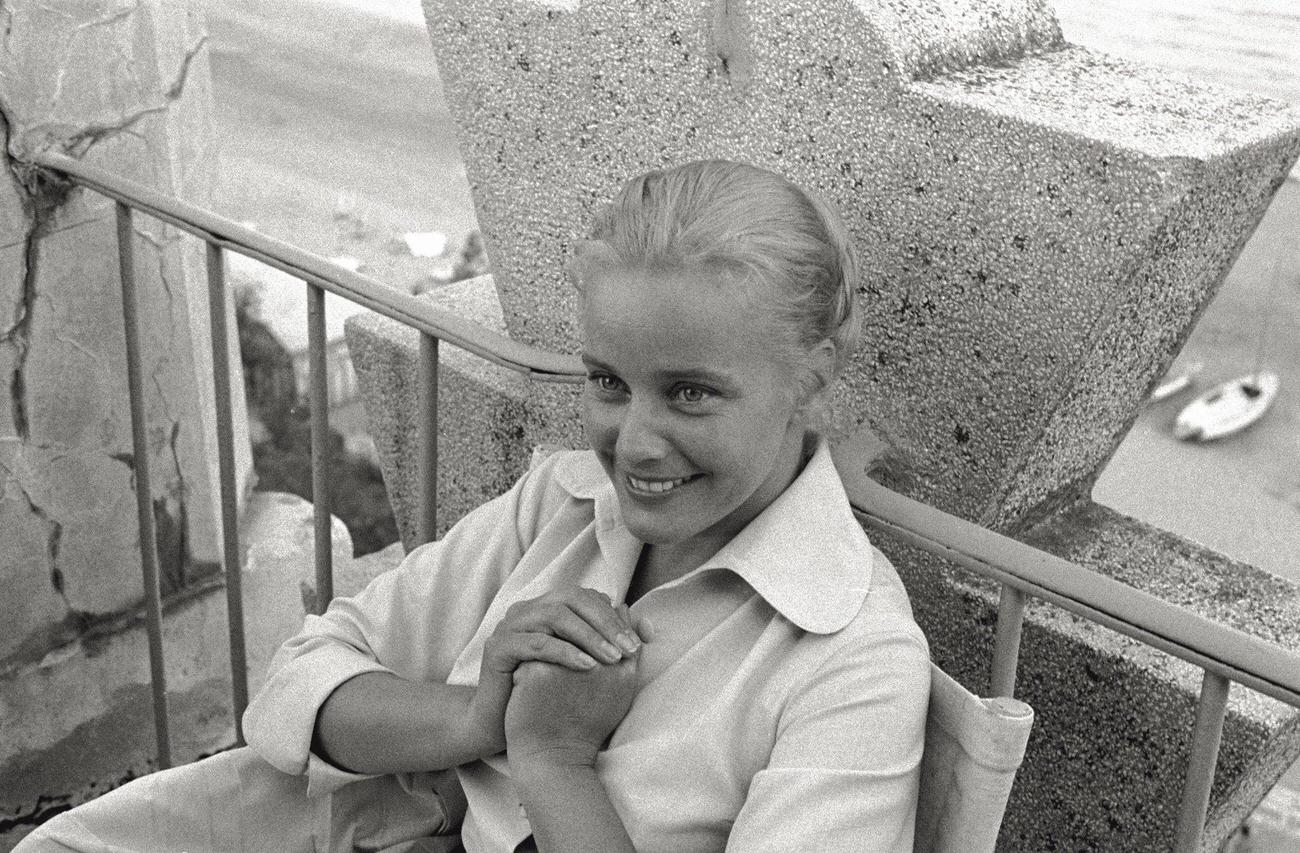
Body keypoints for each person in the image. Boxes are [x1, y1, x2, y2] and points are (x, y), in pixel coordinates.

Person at [17, 159, 930, 853]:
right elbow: (307, 673)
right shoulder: (562, 506)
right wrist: (478, 717)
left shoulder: (853, 662)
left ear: (812, 382)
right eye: (609, 382)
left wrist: (554, 760)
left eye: (691, 393)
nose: (635, 443)